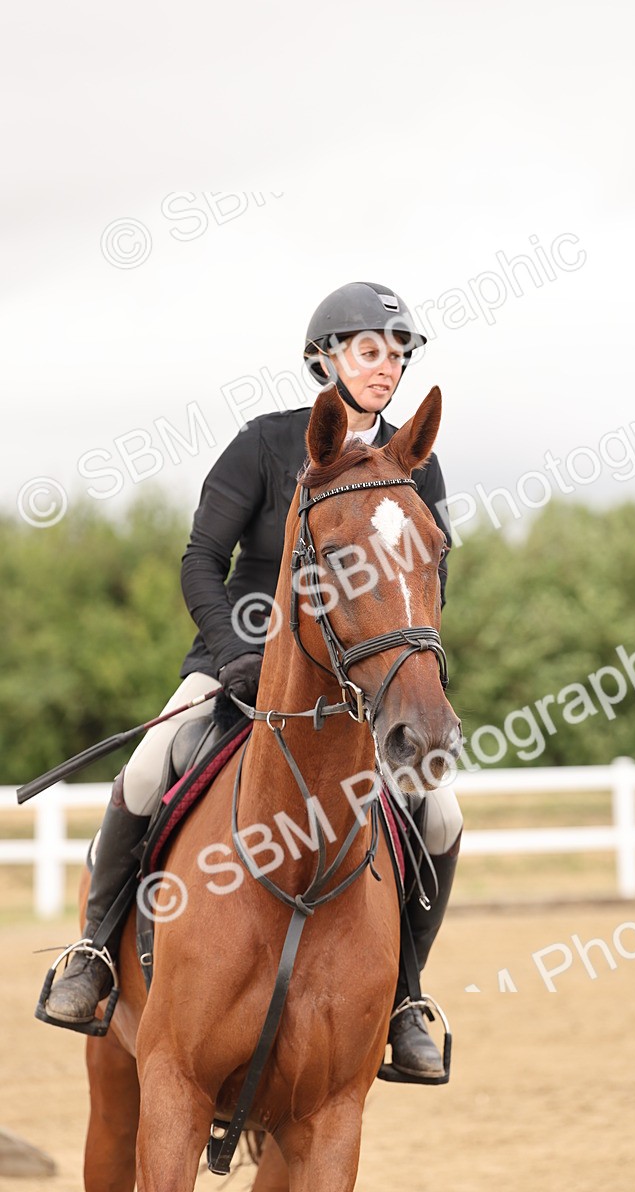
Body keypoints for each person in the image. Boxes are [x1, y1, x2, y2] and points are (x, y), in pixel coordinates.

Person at [44, 281, 463, 1078]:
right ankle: (93, 954)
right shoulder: (267, 444)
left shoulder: (419, 461)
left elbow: (426, 574)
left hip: (357, 675)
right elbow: (201, 558)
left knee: (438, 814)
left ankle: (406, 997)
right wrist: (226, 645)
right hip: (237, 655)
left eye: (397, 354)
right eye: (370, 350)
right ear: (327, 359)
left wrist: (396, 667)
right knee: (146, 766)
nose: (386, 366)